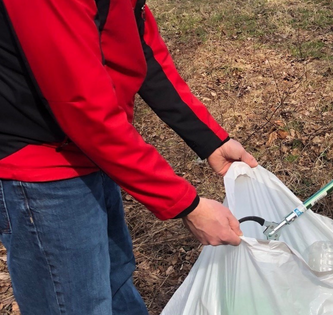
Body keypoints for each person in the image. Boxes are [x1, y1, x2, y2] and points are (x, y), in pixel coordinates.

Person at [0, 0, 257, 314]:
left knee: (115, 283)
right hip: (41, 170)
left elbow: (138, 48)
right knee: (76, 304)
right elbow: (82, 106)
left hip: (93, 153)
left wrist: (210, 139)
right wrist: (186, 204)